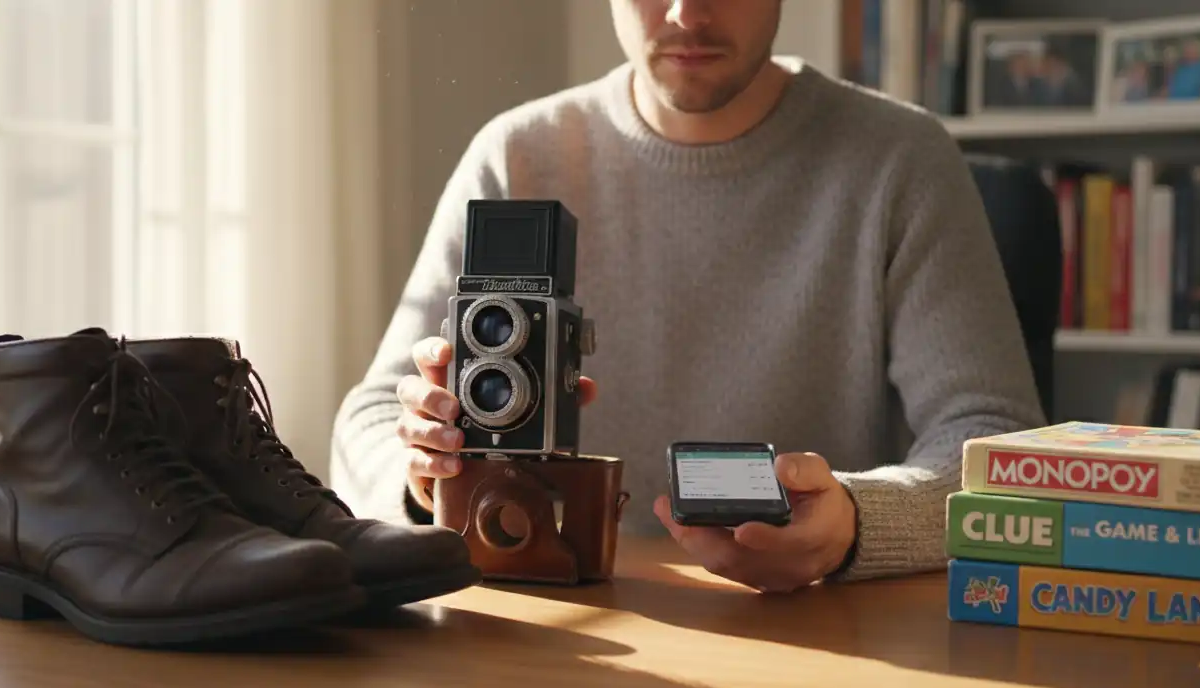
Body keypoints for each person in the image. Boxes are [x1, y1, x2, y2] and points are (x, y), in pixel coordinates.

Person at [329, 0, 1046, 593]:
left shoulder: (901, 160)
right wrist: (426, 477)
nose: (685, 12)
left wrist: (858, 523)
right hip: (553, 623)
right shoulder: (518, 155)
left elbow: (995, 438)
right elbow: (369, 416)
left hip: (816, 630)